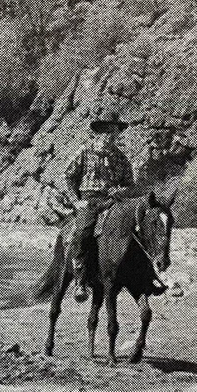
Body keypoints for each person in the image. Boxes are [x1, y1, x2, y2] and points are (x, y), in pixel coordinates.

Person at [64, 112, 165, 302]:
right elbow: (69, 175)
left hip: (114, 200)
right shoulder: (84, 152)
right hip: (90, 199)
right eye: (107, 131)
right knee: (83, 231)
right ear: (99, 132)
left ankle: (149, 277)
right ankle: (80, 278)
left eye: (115, 131)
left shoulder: (121, 158)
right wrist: (76, 201)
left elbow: (130, 183)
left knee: (138, 230)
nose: (111, 135)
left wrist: (121, 191)